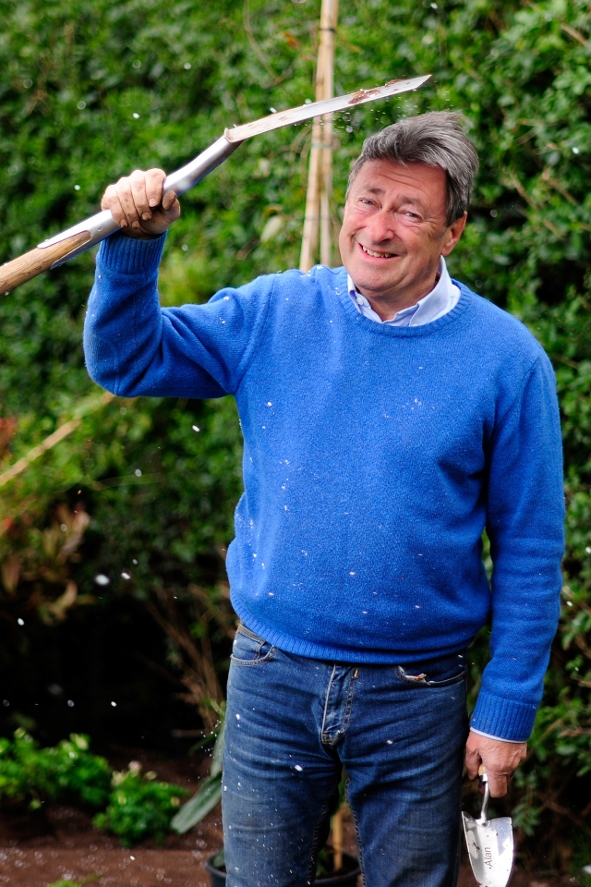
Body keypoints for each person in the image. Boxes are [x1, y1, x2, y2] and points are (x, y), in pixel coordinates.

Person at [84, 111, 564, 887]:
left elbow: (530, 550)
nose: (377, 227)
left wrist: (504, 710)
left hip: (417, 692)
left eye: (408, 211)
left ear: (453, 231)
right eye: (366, 199)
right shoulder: (275, 314)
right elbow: (125, 361)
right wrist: (133, 244)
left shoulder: (506, 360)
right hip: (271, 674)